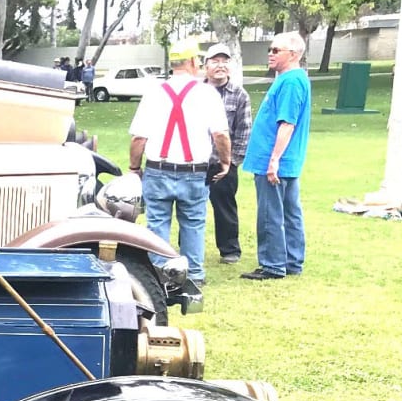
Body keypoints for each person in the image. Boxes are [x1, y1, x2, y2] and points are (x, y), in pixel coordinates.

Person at [128, 42, 230, 288]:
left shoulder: (154, 92)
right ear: (194, 62)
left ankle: (159, 273)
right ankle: (193, 275)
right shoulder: (207, 94)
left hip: (157, 169)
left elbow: (139, 138)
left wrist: (134, 167)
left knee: (157, 223)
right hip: (193, 171)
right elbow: (220, 135)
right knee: (193, 223)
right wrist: (225, 162)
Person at [241, 32, 312, 281]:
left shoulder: (291, 82)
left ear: (293, 54)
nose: (270, 54)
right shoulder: (291, 79)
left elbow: (287, 123)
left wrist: (273, 160)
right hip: (287, 161)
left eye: (275, 50)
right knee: (291, 212)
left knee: (271, 213)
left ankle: (272, 264)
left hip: (275, 161)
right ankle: (292, 260)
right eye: (270, 49)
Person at [203, 43, 251, 264]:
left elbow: (244, 131)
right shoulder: (197, 92)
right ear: (206, 66)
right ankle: (187, 248)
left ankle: (230, 250)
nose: (220, 65)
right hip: (197, 161)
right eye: (215, 61)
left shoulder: (240, 95)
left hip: (224, 164)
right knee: (190, 208)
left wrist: (232, 163)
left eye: (224, 61)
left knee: (226, 208)